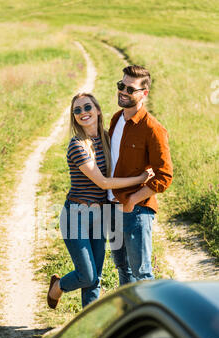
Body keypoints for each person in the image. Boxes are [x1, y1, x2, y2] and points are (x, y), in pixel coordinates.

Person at [47, 92, 154, 309]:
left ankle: (90, 330)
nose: (83, 113)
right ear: (74, 117)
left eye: (87, 107)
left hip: (100, 217)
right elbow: (103, 183)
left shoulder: (107, 139)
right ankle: (58, 286)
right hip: (75, 216)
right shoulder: (77, 146)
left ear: (97, 110)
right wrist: (142, 179)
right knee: (86, 275)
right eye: (77, 110)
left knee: (95, 278)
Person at [108, 65, 173, 285]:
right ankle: (128, 318)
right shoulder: (116, 119)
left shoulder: (153, 129)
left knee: (142, 275)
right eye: (121, 85)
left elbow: (164, 175)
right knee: (123, 269)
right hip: (113, 206)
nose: (123, 91)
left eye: (130, 89)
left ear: (144, 93)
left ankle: (149, 319)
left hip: (136, 212)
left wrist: (133, 200)